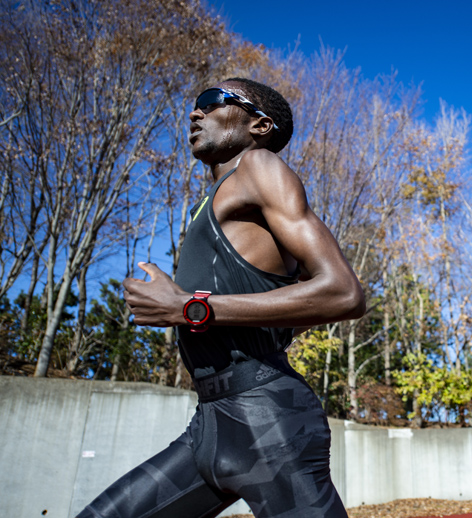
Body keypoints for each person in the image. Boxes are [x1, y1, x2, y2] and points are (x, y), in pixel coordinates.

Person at [77, 78, 365, 517]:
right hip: (210, 425)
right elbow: (293, 294)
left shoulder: (259, 168)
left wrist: (189, 308)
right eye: (194, 105)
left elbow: (344, 292)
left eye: (212, 103)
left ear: (260, 125)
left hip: (269, 418)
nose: (196, 112)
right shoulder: (212, 201)